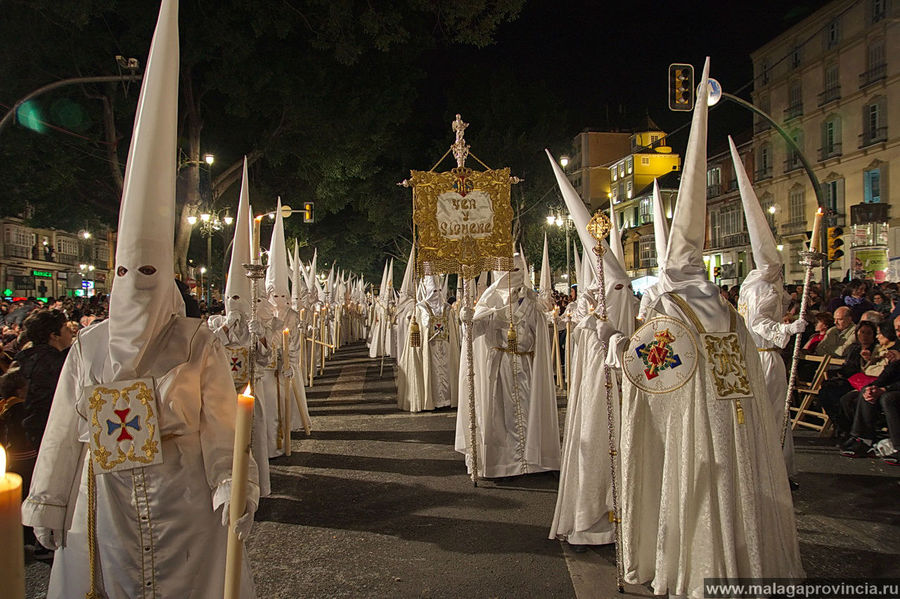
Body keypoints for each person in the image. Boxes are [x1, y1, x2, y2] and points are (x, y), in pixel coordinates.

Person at [21, 4, 258, 597]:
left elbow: (222, 425)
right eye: (124, 271)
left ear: (170, 278)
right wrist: (49, 499)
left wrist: (231, 482)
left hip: (185, 506)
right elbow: (62, 425)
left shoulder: (195, 341)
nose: (135, 284)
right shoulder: (89, 347)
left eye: (148, 271)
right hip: (105, 510)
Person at [612, 60, 803, 597]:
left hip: (697, 424)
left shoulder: (672, 307)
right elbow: (749, 346)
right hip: (738, 420)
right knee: (740, 490)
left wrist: (618, 349)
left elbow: (650, 374)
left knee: (703, 489)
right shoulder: (723, 305)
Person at [732, 137, 806, 479]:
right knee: (774, 412)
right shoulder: (764, 289)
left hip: (752, 356)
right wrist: (788, 329)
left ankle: (761, 467)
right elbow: (761, 322)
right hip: (766, 355)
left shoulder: (751, 284)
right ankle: (777, 471)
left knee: (760, 413)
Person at [454, 257, 560, 478]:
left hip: (526, 366)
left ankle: (532, 460)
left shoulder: (531, 302)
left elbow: (540, 333)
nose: (514, 274)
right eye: (509, 269)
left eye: (517, 269)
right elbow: (477, 331)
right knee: (500, 415)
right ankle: (502, 463)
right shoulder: (489, 302)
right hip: (500, 367)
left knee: (530, 410)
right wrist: (469, 320)